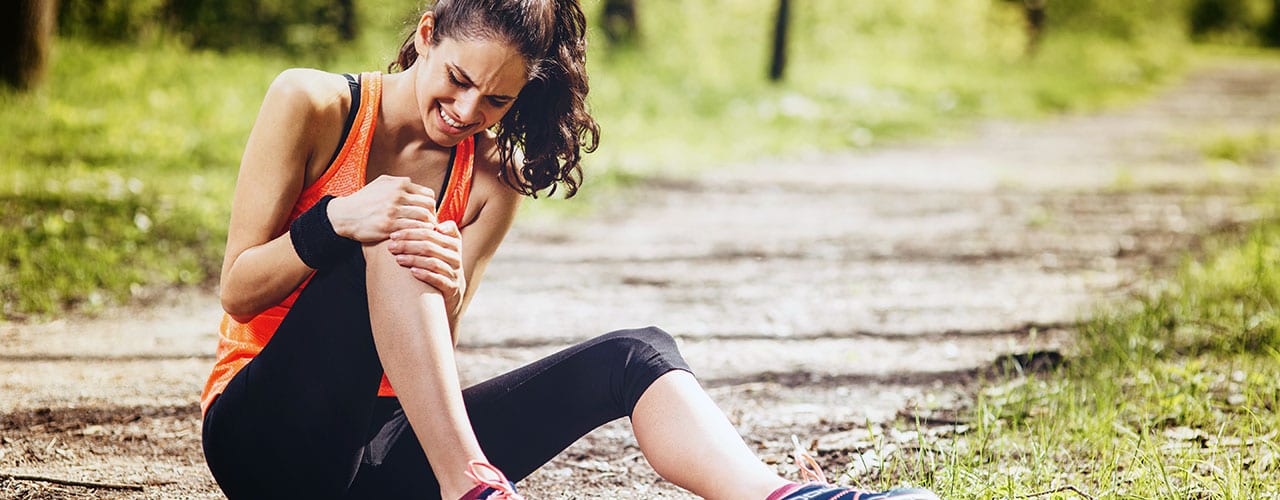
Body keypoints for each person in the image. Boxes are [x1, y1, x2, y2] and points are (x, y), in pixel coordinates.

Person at [198, 1, 942, 499]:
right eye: (457, 80)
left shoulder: (492, 183)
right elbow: (237, 287)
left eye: (496, 101)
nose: (466, 112)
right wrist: (339, 221)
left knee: (637, 352)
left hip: (385, 458)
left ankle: (785, 496)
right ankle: (474, 488)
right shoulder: (314, 104)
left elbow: (422, 362)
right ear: (425, 34)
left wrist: (447, 293)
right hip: (263, 440)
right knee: (397, 229)